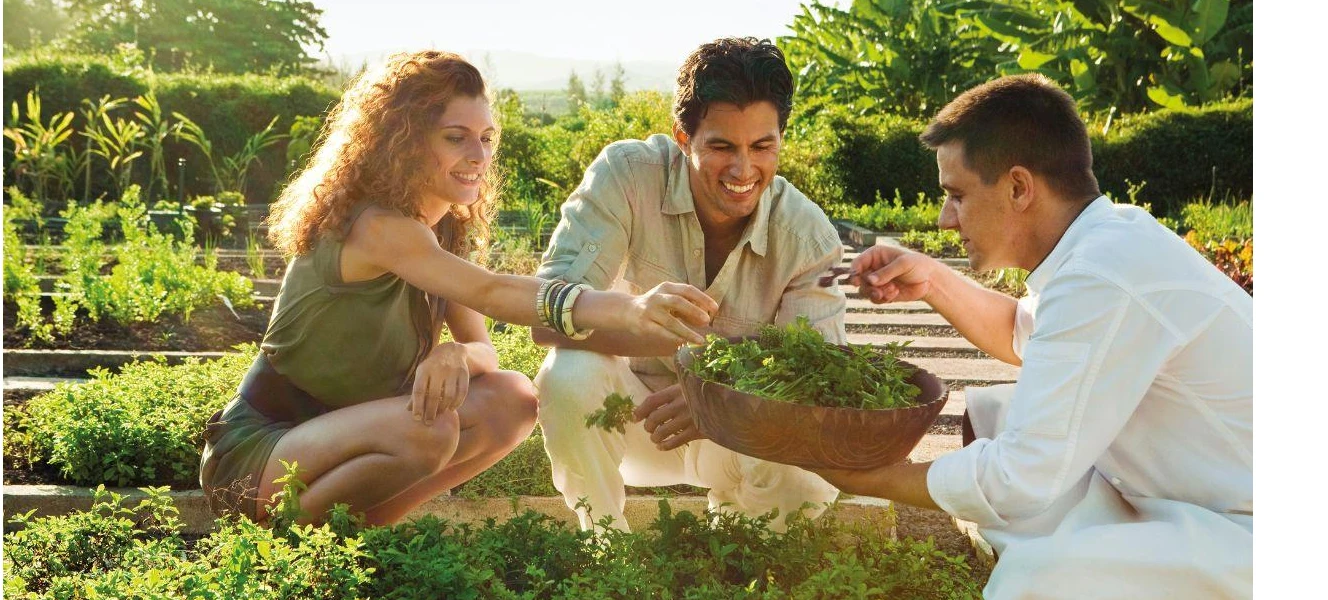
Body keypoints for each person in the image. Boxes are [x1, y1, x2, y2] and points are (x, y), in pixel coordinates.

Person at [198, 51, 718, 526]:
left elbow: (483, 351)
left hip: (353, 437)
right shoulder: (377, 227)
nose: (478, 154)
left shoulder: (440, 235)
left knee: (512, 400)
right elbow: (493, 291)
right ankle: (282, 536)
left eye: (486, 137)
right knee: (429, 431)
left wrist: (456, 355)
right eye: (455, 137)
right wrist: (628, 309)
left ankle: (368, 528)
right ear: (400, 142)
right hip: (262, 452)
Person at [813, 74, 1252, 598]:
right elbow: (1023, 333)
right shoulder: (1109, 240)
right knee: (992, 418)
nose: (944, 219)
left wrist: (869, 476)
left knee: (1035, 580)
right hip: (1182, 488)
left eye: (956, 195)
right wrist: (931, 278)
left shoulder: (1102, 272)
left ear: (1019, 188)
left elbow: (1022, 475)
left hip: (1248, 527)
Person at [532, 37, 848, 532]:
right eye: (721, 146)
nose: (744, 170)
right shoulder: (627, 175)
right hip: (638, 421)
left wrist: (717, 400)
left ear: (782, 137)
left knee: (809, 458)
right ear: (683, 137)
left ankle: (747, 549)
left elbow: (817, 378)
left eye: (763, 146)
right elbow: (547, 313)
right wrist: (635, 324)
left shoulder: (809, 238)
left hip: (744, 436)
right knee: (568, 374)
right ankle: (606, 548)